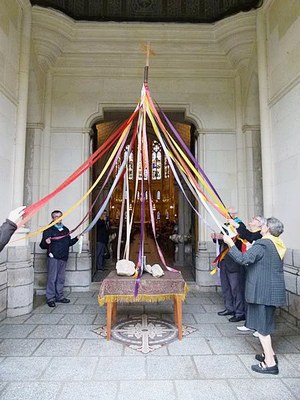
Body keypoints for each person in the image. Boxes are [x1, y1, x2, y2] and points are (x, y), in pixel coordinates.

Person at [223, 217, 286, 375]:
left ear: (267, 229)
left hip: (262, 291)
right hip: (271, 290)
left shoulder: (263, 244)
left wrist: (230, 244)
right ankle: (269, 354)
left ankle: (270, 364)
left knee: (262, 329)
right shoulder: (277, 243)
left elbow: (243, 259)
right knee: (266, 324)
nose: (262, 227)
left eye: (264, 225)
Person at [229, 215, 267, 335]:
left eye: (255, 219)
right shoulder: (251, 234)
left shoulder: (259, 236)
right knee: (248, 295)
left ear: (261, 224)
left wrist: (237, 225)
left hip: (257, 270)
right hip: (246, 267)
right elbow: (247, 236)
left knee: (257, 299)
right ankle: (250, 323)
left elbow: (250, 237)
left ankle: (259, 327)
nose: (252, 219)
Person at [212, 207, 247, 322]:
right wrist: (216, 238)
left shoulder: (240, 226)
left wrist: (223, 237)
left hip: (234, 262)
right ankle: (229, 308)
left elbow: (237, 240)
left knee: (236, 288)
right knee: (226, 286)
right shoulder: (225, 225)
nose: (226, 216)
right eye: (226, 214)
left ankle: (239, 312)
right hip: (224, 260)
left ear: (234, 215)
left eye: (228, 214)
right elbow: (223, 240)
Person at [40, 210, 79, 307]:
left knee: (61, 278)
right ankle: (50, 298)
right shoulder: (48, 229)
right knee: (52, 278)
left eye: (60, 216)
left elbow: (68, 243)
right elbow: (42, 245)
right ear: (52, 218)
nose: (58, 218)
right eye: (56, 216)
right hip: (53, 256)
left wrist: (77, 238)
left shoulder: (65, 229)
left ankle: (59, 296)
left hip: (63, 257)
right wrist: (46, 242)